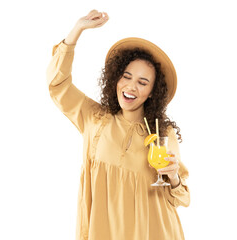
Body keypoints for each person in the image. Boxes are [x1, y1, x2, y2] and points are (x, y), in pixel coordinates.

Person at [46, 9, 190, 240]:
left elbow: (181, 199)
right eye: (126, 76)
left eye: (143, 82)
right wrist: (76, 31)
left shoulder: (162, 133)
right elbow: (58, 85)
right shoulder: (94, 118)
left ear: (153, 92)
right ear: (116, 78)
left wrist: (173, 177)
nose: (131, 87)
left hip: (154, 232)